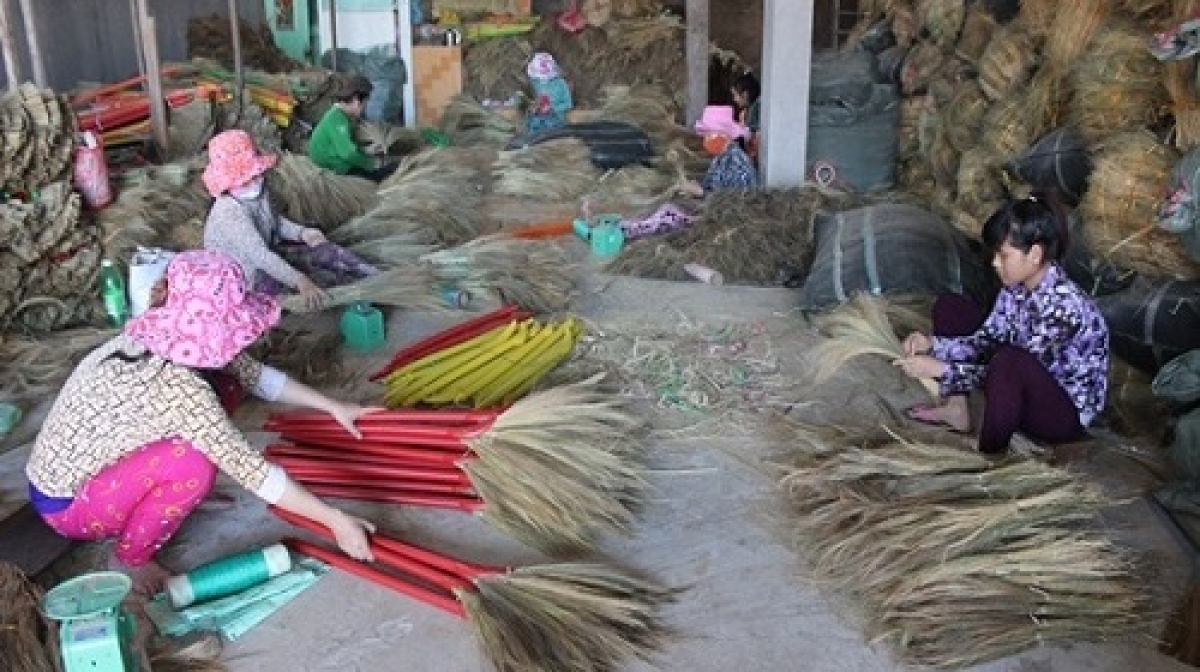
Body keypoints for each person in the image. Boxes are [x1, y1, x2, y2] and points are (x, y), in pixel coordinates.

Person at [25, 250, 379, 595]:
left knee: (227, 384)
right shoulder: (180, 388)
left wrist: (332, 406)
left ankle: (151, 490)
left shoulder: (160, 336)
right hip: (69, 505)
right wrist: (334, 520)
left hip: (93, 469)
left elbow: (252, 375)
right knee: (193, 463)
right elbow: (253, 471)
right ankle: (131, 559)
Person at [892, 192, 1110, 454]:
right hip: (1018, 379)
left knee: (1009, 361)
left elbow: (1003, 373)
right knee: (951, 307)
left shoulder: (1064, 308)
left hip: (1062, 417)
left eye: (1004, 255)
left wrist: (941, 369)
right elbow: (986, 342)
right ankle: (956, 410)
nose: (995, 263)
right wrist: (932, 344)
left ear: (1035, 254)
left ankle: (991, 452)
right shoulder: (1015, 288)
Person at [202, 129, 377, 309]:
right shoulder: (228, 212)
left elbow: (274, 221)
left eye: (256, 176)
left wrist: (303, 233)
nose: (255, 183)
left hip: (270, 254)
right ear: (228, 184)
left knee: (330, 253)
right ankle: (361, 294)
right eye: (245, 180)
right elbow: (260, 256)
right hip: (247, 277)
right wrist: (300, 281)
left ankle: (377, 277)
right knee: (321, 284)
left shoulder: (258, 192)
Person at [308, 74, 397, 182]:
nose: (365, 108)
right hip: (335, 171)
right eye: (365, 103)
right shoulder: (336, 119)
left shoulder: (340, 116)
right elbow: (348, 154)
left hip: (338, 165)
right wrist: (371, 164)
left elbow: (346, 147)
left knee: (389, 168)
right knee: (390, 172)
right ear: (356, 101)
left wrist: (366, 151)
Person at [678, 105, 760, 198]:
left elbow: (736, 202)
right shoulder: (719, 158)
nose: (706, 139)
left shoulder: (737, 162)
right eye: (706, 134)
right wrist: (696, 188)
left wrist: (701, 192)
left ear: (725, 134)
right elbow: (712, 187)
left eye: (710, 134)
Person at [525, 52, 573, 134]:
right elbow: (531, 101)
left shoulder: (560, 83)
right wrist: (533, 107)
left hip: (556, 119)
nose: (542, 79)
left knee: (549, 126)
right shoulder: (535, 82)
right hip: (537, 118)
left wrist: (552, 108)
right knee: (533, 125)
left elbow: (568, 104)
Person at [731, 71, 761, 159]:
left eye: (735, 95)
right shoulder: (746, 112)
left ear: (745, 94)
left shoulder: (757, 108)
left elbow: (756, 139)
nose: (734, 99)